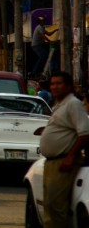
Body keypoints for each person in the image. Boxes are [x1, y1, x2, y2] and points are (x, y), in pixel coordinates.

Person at [39, 71, 89, 228]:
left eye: (59, 83)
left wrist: (70, 156)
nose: (55, 87)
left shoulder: (73, 104)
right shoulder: (60, 104)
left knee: (57, 206)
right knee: (49, 205)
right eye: (52, 84)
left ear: (68, 86)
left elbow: (85, 133)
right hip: (52, 162)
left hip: (63, 161)